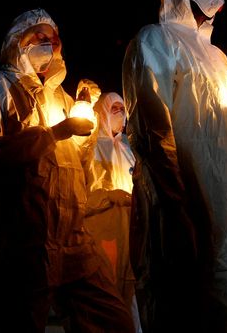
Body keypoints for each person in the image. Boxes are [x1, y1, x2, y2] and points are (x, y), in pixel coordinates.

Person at [122, 0, 227, 332]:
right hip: (186, 209)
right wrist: (176, 207)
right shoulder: (154, 41)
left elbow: (226, 141)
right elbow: (153, 133)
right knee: (183, 310)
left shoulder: (219, 58)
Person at [0, 8, 134, 333]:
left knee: (112, 320)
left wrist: (88, 122)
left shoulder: (62, 96)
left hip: (74, 236)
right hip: (24, 237)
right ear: (18, 41)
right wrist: (53, 134)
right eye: (40, 38)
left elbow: (76, 159)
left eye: (54, 41)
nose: (49, 45)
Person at [84, 91, 142, 332]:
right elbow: (84, 195)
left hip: (130, 231)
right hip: (103, 232)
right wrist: (110, 197)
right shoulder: (91, 148)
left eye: (122, 108)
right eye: (114, 108)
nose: (120, 114)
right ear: (102, 113)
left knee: (131, 298)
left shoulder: (129, 148)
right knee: (108, 295)